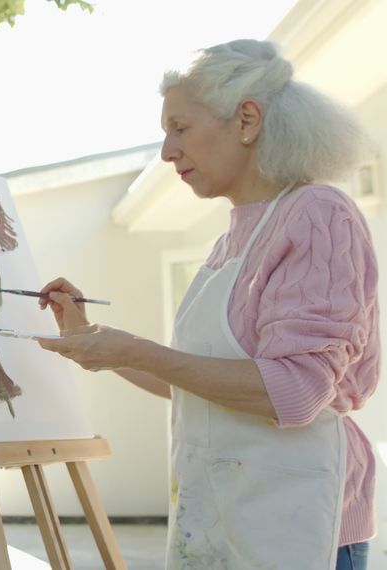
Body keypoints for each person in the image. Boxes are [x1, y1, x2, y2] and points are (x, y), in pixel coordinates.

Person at [35, 39, 378, 570]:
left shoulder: (317, 213)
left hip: (301, 524)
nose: (168, 151)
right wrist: (96, 337)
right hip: (223, 516)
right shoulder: (231, 239)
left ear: (247, 119)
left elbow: (297, 390)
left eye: (180, 128)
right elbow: (194, 384)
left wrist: (137, 350)